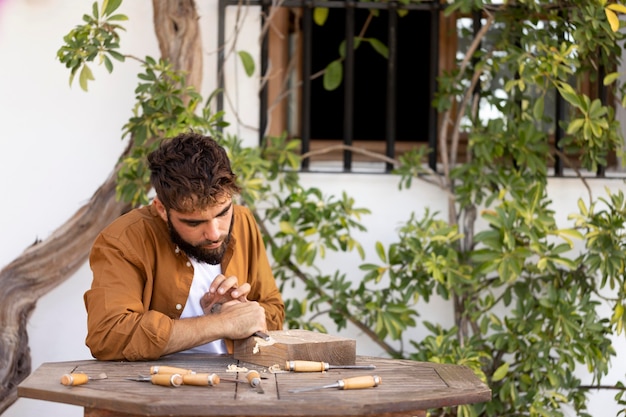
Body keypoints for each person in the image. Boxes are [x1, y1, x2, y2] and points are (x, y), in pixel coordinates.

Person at [84, 132, 284, 361]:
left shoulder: (244, 221)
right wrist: (219, 323)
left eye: (223, 213)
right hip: (153, 389)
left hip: (238, 381)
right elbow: (108, 336)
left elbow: (273, 310)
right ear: (161, 209)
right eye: (194, 222)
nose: (214, 232)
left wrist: (241, 310)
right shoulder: (122, 241)